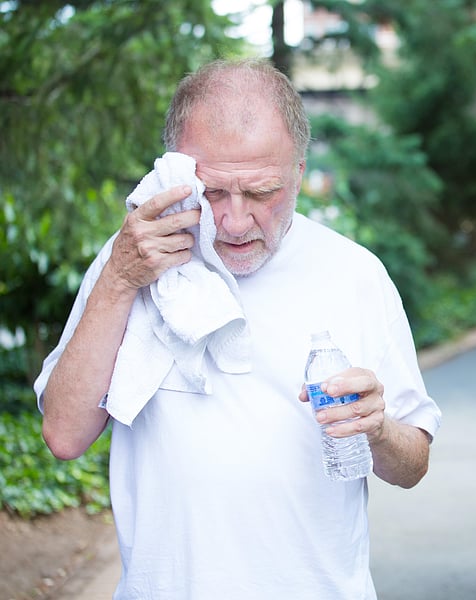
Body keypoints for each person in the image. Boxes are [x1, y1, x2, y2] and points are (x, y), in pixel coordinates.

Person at [34, 58, 441, 600]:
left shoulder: (355, 274)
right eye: (213, 192)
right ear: (176, 172)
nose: (233, 221)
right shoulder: (133, 259)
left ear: (298, 172)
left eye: (261, 192)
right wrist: (120, 279)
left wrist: (378, 428)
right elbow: (64, 434)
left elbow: (412, 464)